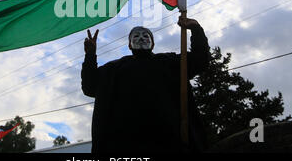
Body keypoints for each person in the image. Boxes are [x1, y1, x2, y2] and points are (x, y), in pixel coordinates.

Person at [81, 17, 211, 153]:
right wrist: (90, 55)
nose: (141, 38)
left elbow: (200, 60)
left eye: (145, 36)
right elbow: (90, 87)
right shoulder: (113, 70)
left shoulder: (169, 62)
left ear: (153, 44)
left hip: (169, 143)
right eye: (136, 36)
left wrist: (196, 29)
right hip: (124, 147)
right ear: (129, 45)